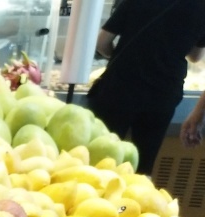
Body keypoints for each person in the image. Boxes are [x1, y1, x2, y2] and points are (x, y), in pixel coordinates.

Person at [88, 0, 205, 175]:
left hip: (119, 87)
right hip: (163, 93)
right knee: (143, 166)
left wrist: (123, 56)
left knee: (101, 161)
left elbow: (102, 42)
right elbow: (195, 56)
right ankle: (133, 202)